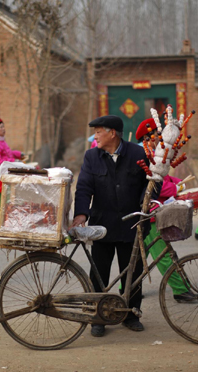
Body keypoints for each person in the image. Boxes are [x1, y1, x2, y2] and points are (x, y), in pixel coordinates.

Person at [72, 115, 150, 337]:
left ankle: (131, 314)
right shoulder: (91, 157)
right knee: (99, 272)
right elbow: (84, 187)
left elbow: (152, 182)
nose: (95, 136)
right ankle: (98, 317)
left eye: (98, 132)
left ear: (112, 133)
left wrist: (145, 205)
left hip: (132, 223)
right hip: (102, 224)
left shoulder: (138, 153)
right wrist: (81, 214)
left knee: (132, 272)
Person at [134, 118, 198, 303]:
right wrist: (175, 189)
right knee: (163, 255)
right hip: (148, 213)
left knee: (137, 255)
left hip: (149, 212)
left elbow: (163, 179)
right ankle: (180, 290)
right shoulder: (144, 156)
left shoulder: (155, 153)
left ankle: (128, 288)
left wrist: (177, 183)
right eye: (156, 134)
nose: (159, 137)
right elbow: (154, 186)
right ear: (148, 137)